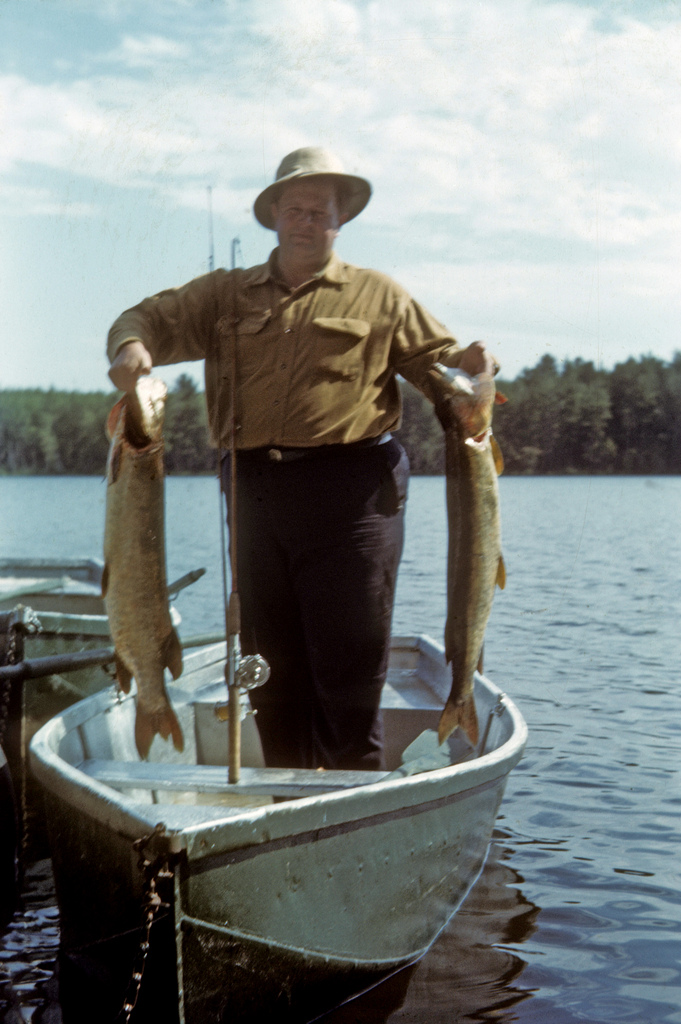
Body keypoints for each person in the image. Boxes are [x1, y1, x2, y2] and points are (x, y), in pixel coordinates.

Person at [107, 146, 499, 772]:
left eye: (321, 211)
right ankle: (287, 797)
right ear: (274, 216)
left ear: (341, 220)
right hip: (255, 491)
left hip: (353, 495)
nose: (307, 221)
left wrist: (472, 366)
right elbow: (142, 319)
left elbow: (442, 369)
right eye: (296, 208)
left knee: (349, 674)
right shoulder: (224, 295)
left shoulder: (379, 296)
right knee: (271, 671)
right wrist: (131, 348)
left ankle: (352, 800)